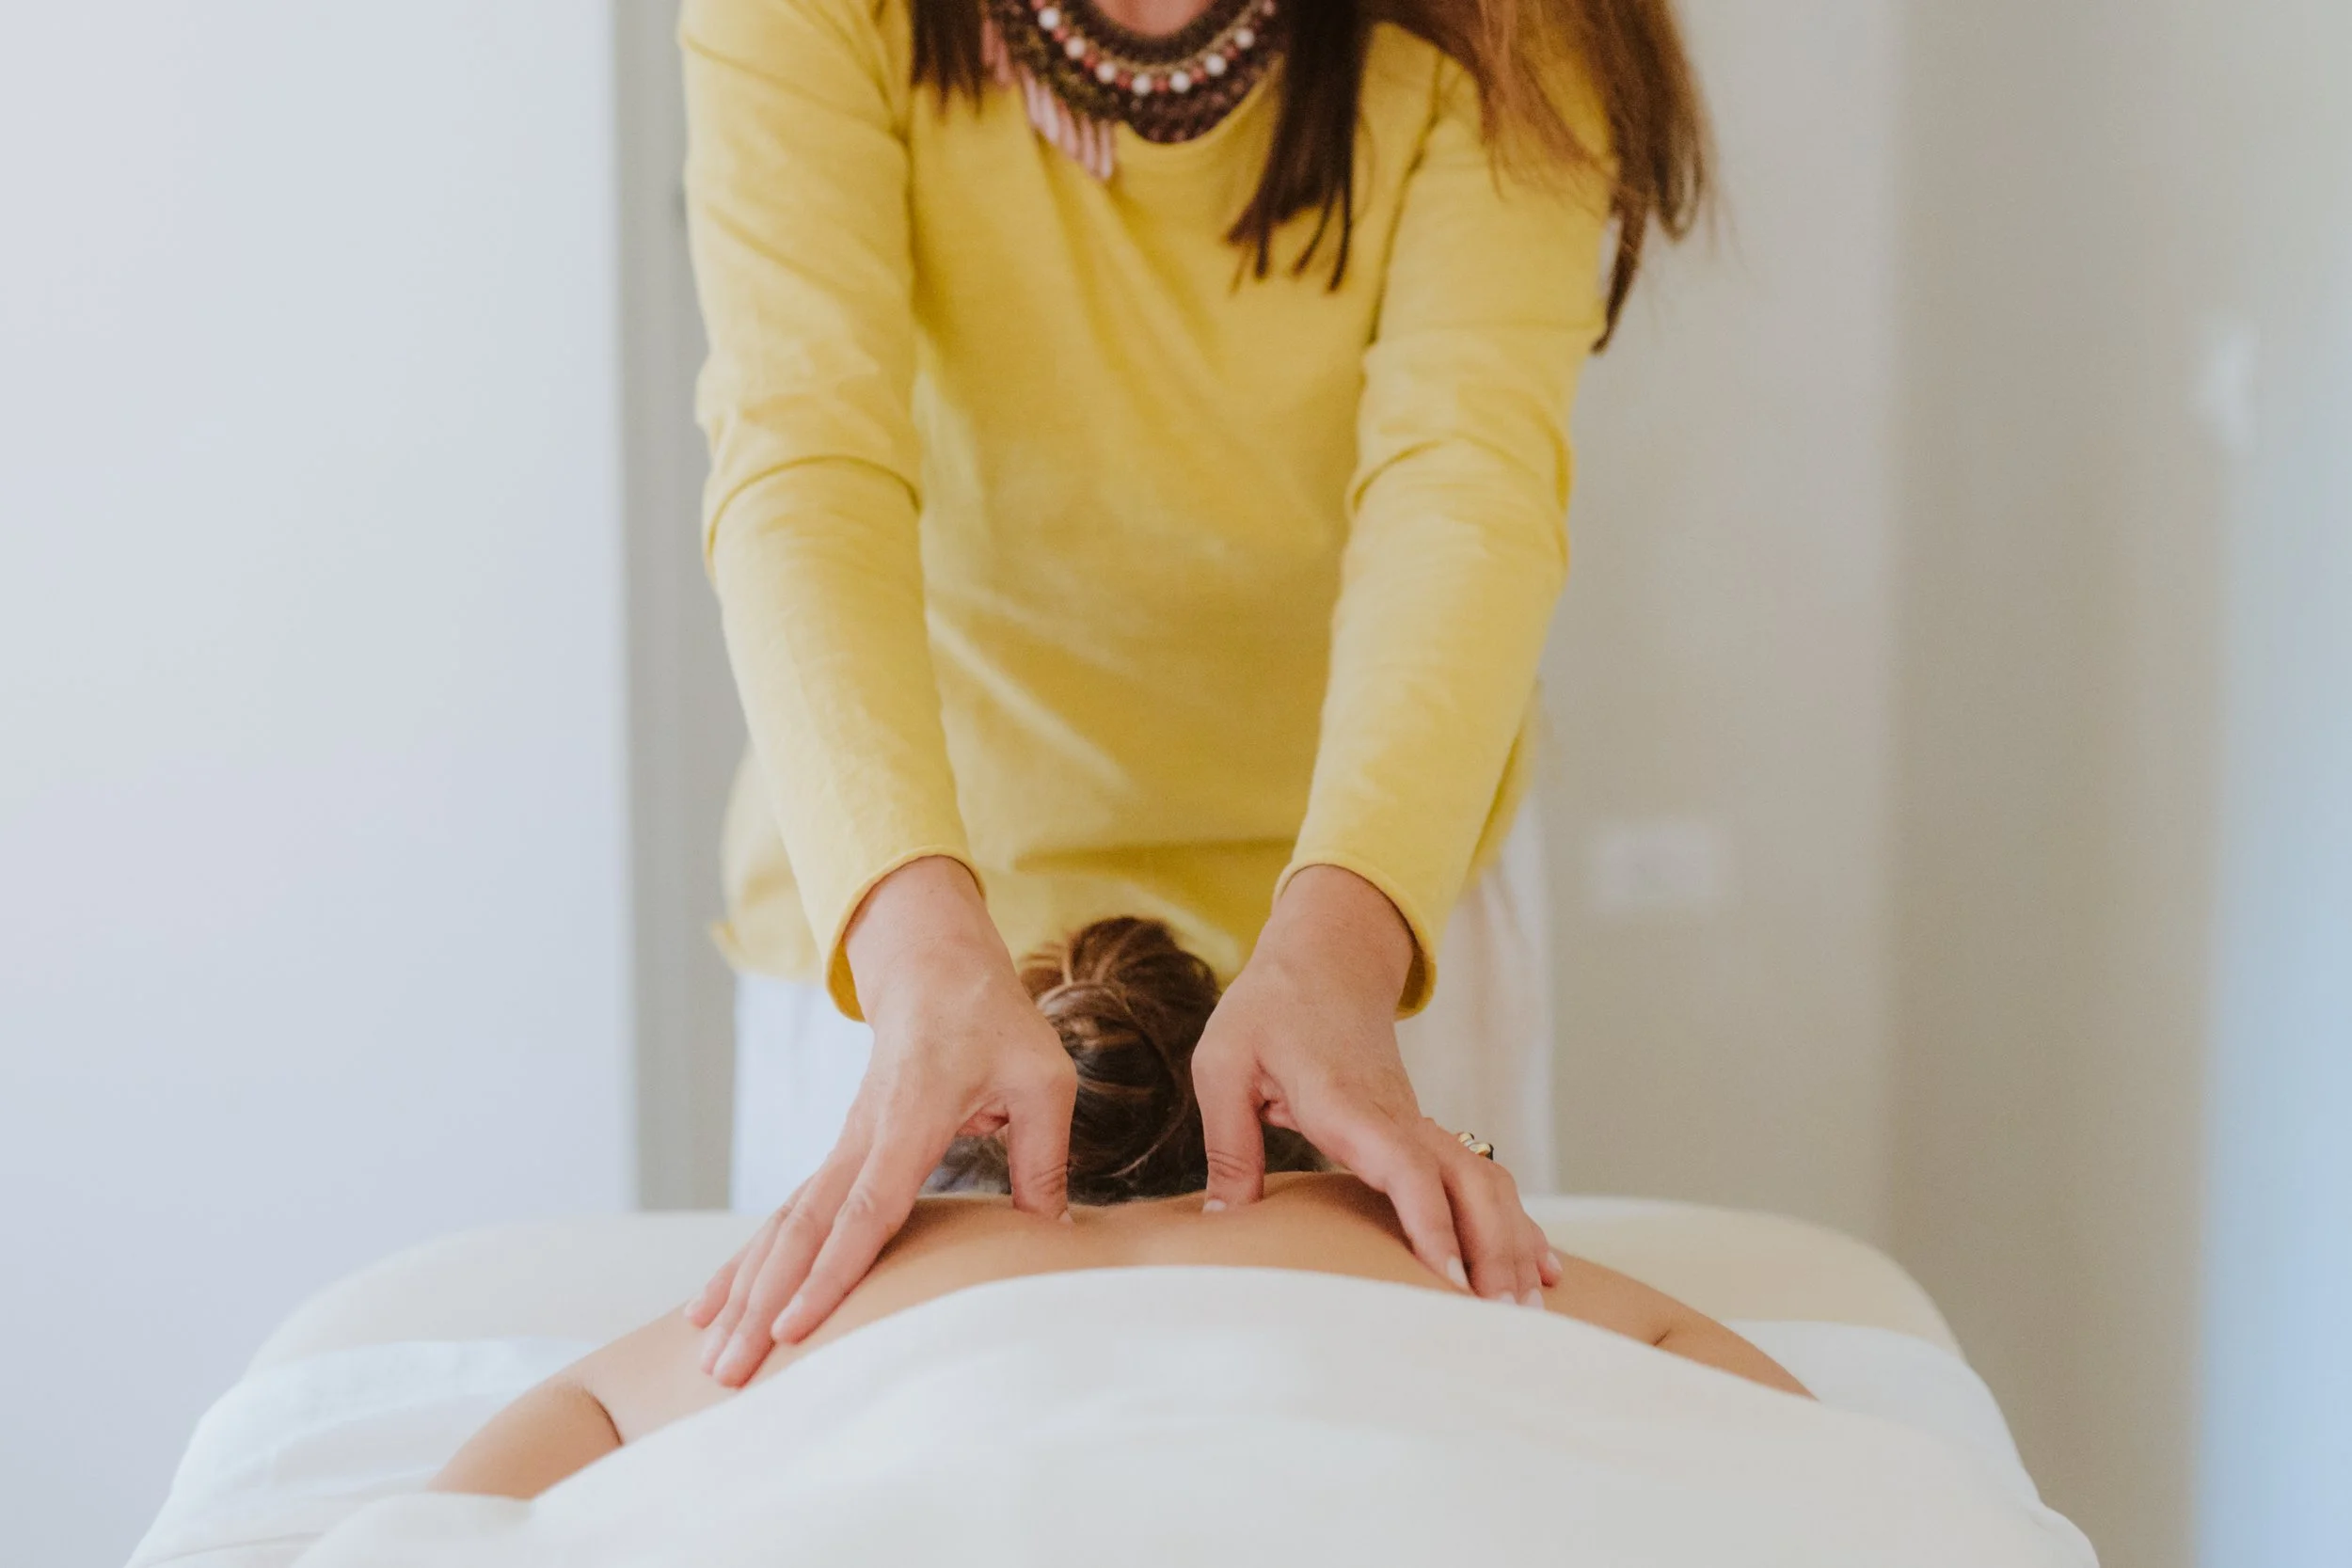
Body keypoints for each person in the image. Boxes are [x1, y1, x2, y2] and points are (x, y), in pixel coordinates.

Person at [682, 0, 1714, 1385]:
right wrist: (918, 954)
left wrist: (1346, 948)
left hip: (1368, 904)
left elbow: (1463, 489)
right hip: (920, 905)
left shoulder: (1519, 30)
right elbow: (803, 460)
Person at [435, 921, 1802, 1499]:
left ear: (955, 1146)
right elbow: (1791, 1431)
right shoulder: (1403, 1228)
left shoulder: (874, 1258)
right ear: (1294, 1120)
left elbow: (560, 1435)